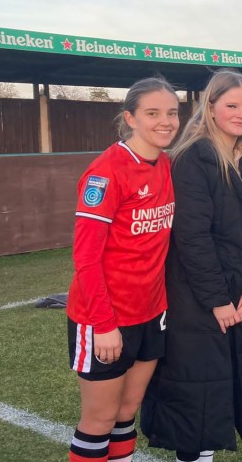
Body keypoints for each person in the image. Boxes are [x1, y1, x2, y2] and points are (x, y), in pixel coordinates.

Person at [141, 70, 242, 462]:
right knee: (195, 392)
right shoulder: (195, 157)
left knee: (218, 389)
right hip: (197, 299)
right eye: (232, 105)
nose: (241, 113)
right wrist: (217, 299)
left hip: (235, 294)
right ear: (210, 108)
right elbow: (192, 238)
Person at [66, 77, 179, 462]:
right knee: (99, 420)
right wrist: (102, 324)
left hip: (151, 314)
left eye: (171, 113)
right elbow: (85, 258)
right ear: (130, 117)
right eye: (152, 113)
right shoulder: (106, 172)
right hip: (105, 318)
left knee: (126, 413)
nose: (164, 121)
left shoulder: (166, 163)